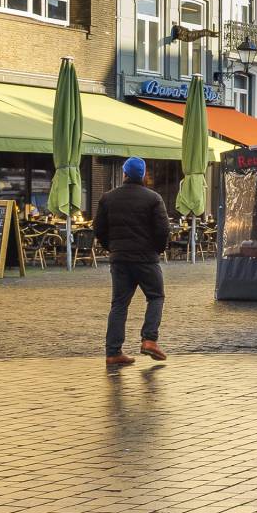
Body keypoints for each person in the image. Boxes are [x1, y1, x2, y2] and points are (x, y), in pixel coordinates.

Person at [94, 157, 170, 367]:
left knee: (119, 304)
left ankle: (113, 352)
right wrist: (157, 249)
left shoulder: (108, 198)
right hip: (146, 259)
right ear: (143, 175)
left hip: (120, 259)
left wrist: (113, 248)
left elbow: (98, 229)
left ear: (124, 174)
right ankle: (149, 339)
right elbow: (163, 230)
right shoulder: (153, 198)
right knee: (155, 297)